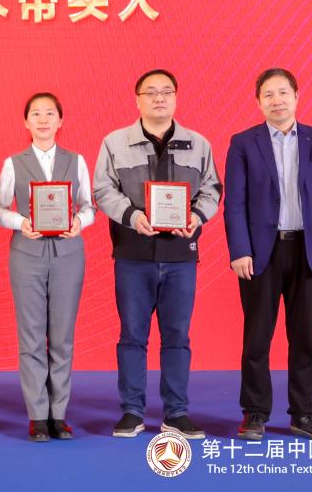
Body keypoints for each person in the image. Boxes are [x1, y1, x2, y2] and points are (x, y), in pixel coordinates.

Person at [93, 69, 222, 440]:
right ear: (137, 100)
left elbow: (212, 189)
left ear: (176, 98)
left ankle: (176, 412)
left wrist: (196, 216)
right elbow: (103, 190)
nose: (159, 98)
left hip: (181, 255)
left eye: (166, 91)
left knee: (177, 336)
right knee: (132, 335)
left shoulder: (198, 144)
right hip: (133, 255)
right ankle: (132, 411)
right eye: (150, 92)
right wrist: (132, 216)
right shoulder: (115, 142)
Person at [224, 68, 312, 441]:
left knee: (304, 337)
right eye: (268, 94)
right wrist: (240, 249)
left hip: (308, 251)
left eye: (283, 93)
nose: (276, 100)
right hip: (260, 253)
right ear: (258, 101)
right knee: (257, 337)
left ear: (296, 96)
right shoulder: (243, 143)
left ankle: (304, 413)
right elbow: (235, 203)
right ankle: (255, 413)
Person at [0, 92, 95, 442]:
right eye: (35, 114)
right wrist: (20, 222)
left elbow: (88, 206)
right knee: (32, 335)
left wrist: (80, 221)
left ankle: (59, 414)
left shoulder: (76, 161)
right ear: (26, 122)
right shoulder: (13, 163)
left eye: (50, 113)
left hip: (68, 253)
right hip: (27, 253)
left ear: (60, 120)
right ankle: (37, 415)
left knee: (62, 336)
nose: (43, 119)